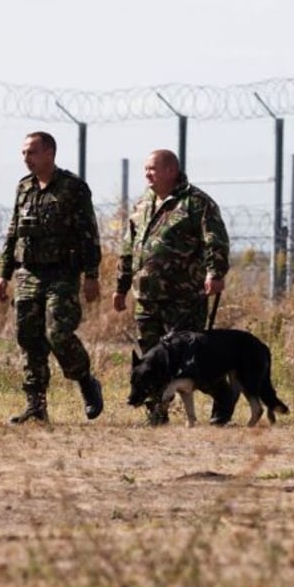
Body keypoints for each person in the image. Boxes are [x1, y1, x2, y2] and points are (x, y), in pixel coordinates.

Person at [113, 149, 231, 426]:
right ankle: (157, 412)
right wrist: (121, 286)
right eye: (145, 169)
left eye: (152, 169)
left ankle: (223, 395)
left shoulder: (196, 202)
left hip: (184, 297)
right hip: (146, 297)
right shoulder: (143, 204)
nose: (147, 174)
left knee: (189, 360)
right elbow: (129, 247)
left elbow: (215, 240)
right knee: (151, 360)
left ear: (171, 170)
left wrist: (215, 272)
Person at [0, 131, 104, 424]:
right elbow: (13, 231)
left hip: (63, 273)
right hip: (28, 273)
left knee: (57, 333)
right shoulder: (24, 187)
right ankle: (36, 404)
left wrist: (91, 275)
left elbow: (88, 234)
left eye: (31, 152)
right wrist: (4, 274)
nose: (26, 158)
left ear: (49, 153)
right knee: (28, 337)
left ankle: (85, 381)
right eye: (23, 153)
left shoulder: (73, 187)